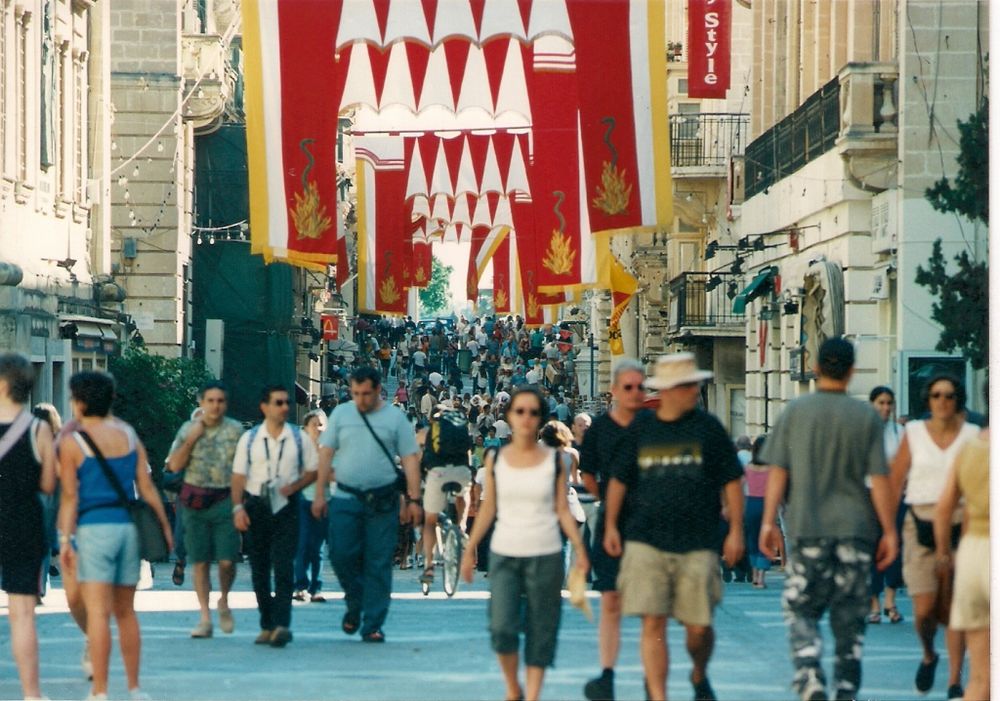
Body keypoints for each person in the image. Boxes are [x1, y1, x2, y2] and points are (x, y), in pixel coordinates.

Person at [758, 338, 898, 701]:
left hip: (807, 528)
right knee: (849, 618)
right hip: (855, 530)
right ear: (852, 371)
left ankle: (809, 673)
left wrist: (769, 522)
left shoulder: (795, 412)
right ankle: (846, 688)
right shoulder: (866, 417)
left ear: (816, 366)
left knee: (801, 607)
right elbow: (879, 479)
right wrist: (889, 531)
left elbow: (778, 472)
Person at [603, 353, 744, 701]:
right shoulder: (642, 429)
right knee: (653, 623)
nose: (694, 391)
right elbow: (619, 480)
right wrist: (610, 526)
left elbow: (731, 481)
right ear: (667, 391)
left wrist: (737, 531)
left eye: (695, 384)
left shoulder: (708, 428)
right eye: (687, 385)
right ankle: (657, 694)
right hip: (645, 540)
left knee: (699, 628)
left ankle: (698, 673)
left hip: (699, 541)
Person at [461, 387, 589, 701]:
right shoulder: (496, 459)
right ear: (509, 416)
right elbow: (488, 507)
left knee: (540, 630)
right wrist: (470, 548)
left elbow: (561, 507)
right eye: (520, 411)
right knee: (502, 627)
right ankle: (512, 687)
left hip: (545, 553)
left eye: (533, 412)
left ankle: (531, 694)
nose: (526, 418)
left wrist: (580, 551)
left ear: (540, 419)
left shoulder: (554, 461)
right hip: (505, 552)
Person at [58, 371, 172, 700]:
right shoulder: (127, 434)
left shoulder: (72, 442)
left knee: (97, 614)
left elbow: (70, 497)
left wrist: (66, 541)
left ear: (79, 401)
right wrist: (165, 527)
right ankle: (135, 688)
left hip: (93, 529)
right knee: (126, 612)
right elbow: (147, 487)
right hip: (127, 529)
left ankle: (100, 691)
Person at [312, 367, 423, 643]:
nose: (360, 399)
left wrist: (413, 499)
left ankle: (373, 623)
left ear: (377, 391)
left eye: (366, 393)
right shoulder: (341, 415)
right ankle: (354, 601)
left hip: (382, 501)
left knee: (378, 561)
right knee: (340, 554)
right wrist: (319, 492)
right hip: (345, 498)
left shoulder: (395, 418)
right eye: (356, 393)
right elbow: (326, 453)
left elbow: (410, 459)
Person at [889, 374, 978, 699]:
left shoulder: (972, 436)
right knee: (925, 609)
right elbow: (895, 482)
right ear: (928, 400)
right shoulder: (913, 434)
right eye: (937, 395)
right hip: (920, 520)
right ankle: (929, 654)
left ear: (958, 400)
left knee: (957, 607)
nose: (943, 401)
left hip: (962, 522)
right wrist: (887, 530)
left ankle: (955, 681)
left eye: (950, 396)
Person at [579, 358, 649, 701]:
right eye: (629, 387)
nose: (636, 393)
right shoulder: (600, 429)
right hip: (613, 523)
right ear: (615, 391)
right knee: (610, 600)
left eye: (641, 386)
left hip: (651, 524)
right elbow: (587, 473)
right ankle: (607, 674)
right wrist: (607, 499)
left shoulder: (654, 424)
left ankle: (653, 674)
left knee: (651, 606)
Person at [231, 386, 319, 647]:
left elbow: (313, 471)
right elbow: (238, 476)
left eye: (286, 403)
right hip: (257, 503)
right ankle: (266, 622)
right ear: (264, 407)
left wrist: (293, 487)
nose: (284, 407)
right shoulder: (250, 439)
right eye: (278, 403)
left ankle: (281, 624)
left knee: (283, 565)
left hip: (287, 505)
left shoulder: (299, 438)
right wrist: (237, 508)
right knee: (258, 567)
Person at [166, 381, 244, 638]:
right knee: (199, 562)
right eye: (210, 401)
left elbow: (242, 470)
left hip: (224, 499)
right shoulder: (188, 428)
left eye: (220, 401)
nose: (215, 406)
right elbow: (173, 466)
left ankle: (223, 599)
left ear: (226, 403)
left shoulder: (235, 430)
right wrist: (192, 438)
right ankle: (204, 616)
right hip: (194, 500)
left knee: (226, 560)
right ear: (201, 402)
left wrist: (239, 505)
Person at [0, 355, 57, 700]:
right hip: (24, 523)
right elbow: (49, 485)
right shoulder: (39, 429)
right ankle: (31, 695)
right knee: (22, 614)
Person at [934, 422, 989, 701]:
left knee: (980, 678)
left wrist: (944, 555)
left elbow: (944, 510)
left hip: (971, 555)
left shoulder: (968, 451)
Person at [419, 403, 472, 586]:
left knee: (430, 520)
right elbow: (468, 454)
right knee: (464, 492)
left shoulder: (432, 429)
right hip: (461, 470)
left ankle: (429, 566)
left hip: (438, 472)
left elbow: (425, 458)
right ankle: (462, 526)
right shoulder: (460, 426)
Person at [867, 386, 905, 625]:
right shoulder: (863, 432)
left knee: (895, 547)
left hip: (895, 496)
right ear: (872, 404)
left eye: (889, 403)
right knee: (871, 548)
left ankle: (891, 600)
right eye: (881, 403)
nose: (885, 408)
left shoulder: (900, 433)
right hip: (869, 495)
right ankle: (874, 603)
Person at [293, 410, 329, 602]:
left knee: (318, 547)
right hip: (303, 501)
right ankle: (300, 586)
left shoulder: (331, 449)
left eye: (321, 424)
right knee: (303, 544)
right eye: (314, 424)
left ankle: (316, 588)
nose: (318, 428)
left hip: (325, 502)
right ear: (306, 428)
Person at [743, 436, 771, 589]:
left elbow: (740, 485)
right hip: (766, 505)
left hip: (750, 503)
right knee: (765, 540)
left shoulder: (748, 467)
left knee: (752, 539)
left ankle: (754, 575)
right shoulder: (772, 469)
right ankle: (761, 578)